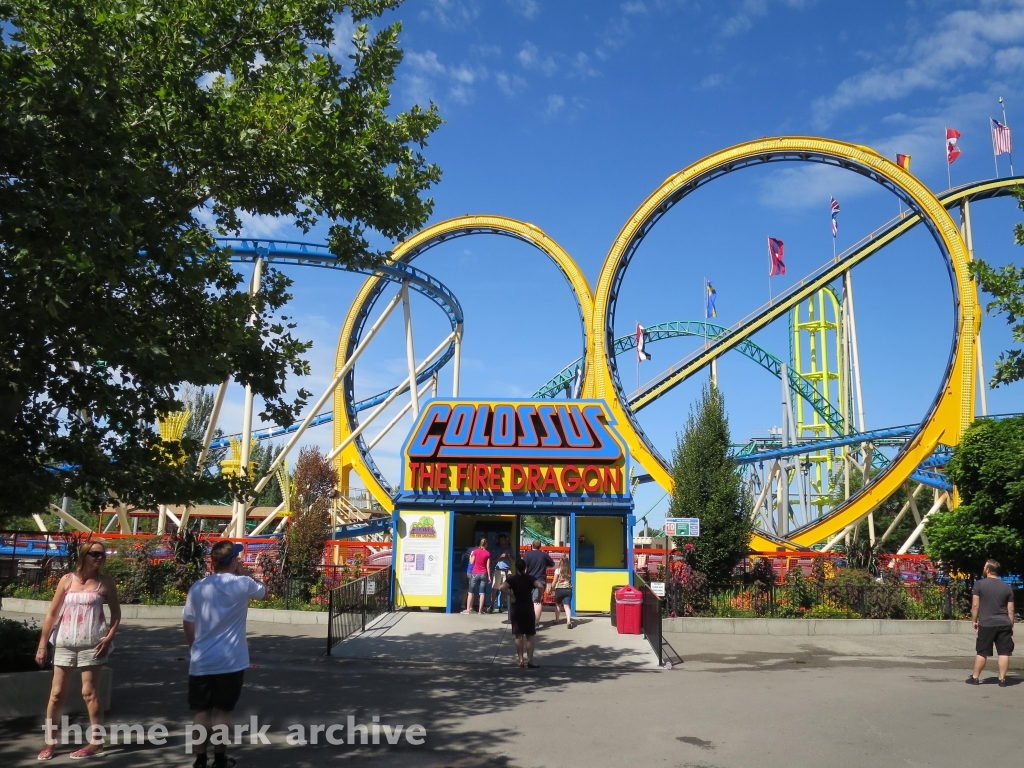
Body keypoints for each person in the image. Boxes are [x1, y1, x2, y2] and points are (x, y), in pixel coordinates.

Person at [183, 541, 267, 768]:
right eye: (237, 558)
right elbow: (264, 593)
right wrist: (243, 573)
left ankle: (200, 759)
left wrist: (193, 648)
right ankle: (219, 759)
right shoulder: (242, 584)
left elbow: (188, 622)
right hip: (231, 660)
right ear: (233, 562)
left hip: (202, 659)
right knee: (223, 711)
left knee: (202, 711)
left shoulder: (198, 587)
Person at [36, 541, 121, 761]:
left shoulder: (105, 582)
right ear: (84, 554)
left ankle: (96, 742)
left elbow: (116, 614)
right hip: (64, 642)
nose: (99, 558)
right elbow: (52, 613)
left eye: (102, 555)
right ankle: (50, 742)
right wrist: (43, 644)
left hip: (92, 644)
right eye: (95, 554)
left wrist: (109, 637)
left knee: (89, 693)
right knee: (56, 695)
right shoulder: (67, 580)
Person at [966, 558, 1015, 687]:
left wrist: (974, 621)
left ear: (988, 570)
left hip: (987, 623)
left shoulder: (979, 585)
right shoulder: (1007, 587)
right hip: (1004, 623)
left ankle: (975, 678)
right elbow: (1011, 609)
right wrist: (1011, 625)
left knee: (982, 651)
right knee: (1004, 652)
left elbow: (975, 605)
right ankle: (1002, 679)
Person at [500, 558, 547, 668]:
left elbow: (501, 587)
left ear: (516, 568)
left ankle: (521, 659)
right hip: (528, 607)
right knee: (530, 635)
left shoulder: (512, 579)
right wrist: (539, 597)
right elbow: (540, 586)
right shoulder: (530, 578)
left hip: (516, 608)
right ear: (526, 568)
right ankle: (530, 660)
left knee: (518, 635)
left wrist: (511, 594)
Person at [523, 539, 554, 625]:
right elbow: (552, 564)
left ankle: (528, 620)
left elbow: (524, 569)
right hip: (540, 581)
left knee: (528, 601)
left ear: (532, 545)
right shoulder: (544, 555)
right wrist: (544, 565)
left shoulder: (527, 555)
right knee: (537, 601)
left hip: (529, 581)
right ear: (540, 546)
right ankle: (536, 622)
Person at [463, 537, 491, 614]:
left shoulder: (475, 551)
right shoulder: (487, 553)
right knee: (482, 592)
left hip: (475, 573)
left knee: (471, 592)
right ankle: (480, 610)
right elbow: (488, 566)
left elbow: (471, 562)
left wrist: (470, 556)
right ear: (486, 545)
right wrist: (489, 576)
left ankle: (468, 610)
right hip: (483, 573)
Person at [488, 533, 514, 613]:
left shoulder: (510, 548)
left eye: (503, 540)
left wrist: (508, 554)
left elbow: (512, 561)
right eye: (500, 540)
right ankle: (491, 606)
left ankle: (501, 606)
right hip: (498, 570)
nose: (502, 541)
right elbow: (493, 561)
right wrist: (500, 556)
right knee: (494, 589)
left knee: (504, 589)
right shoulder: (496, 549)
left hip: (507, 571)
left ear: (506, 540)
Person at [550, 555, 574, 629]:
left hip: (559, 590)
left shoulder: (558, 570)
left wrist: (551, 588)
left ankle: (557, 620)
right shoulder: (570, 570)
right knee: (567, 606)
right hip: (568, 589)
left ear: (561, 561)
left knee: (558, 605)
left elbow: (554, 581)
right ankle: (568, 621)